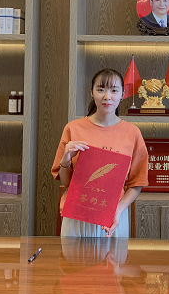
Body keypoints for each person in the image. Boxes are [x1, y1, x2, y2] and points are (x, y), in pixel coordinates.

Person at [51, 68, 149, 238]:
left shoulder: (132, 133)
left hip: (113, 217)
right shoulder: (73, 129)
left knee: (113, 256)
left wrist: (117, 210)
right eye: (101, 89)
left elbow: (136, 183)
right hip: (77, 215)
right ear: (92, 92)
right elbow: (66, 182)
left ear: (122, 94)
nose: (107, 96)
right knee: (72, 257)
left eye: (114, 90)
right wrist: (65, 159)